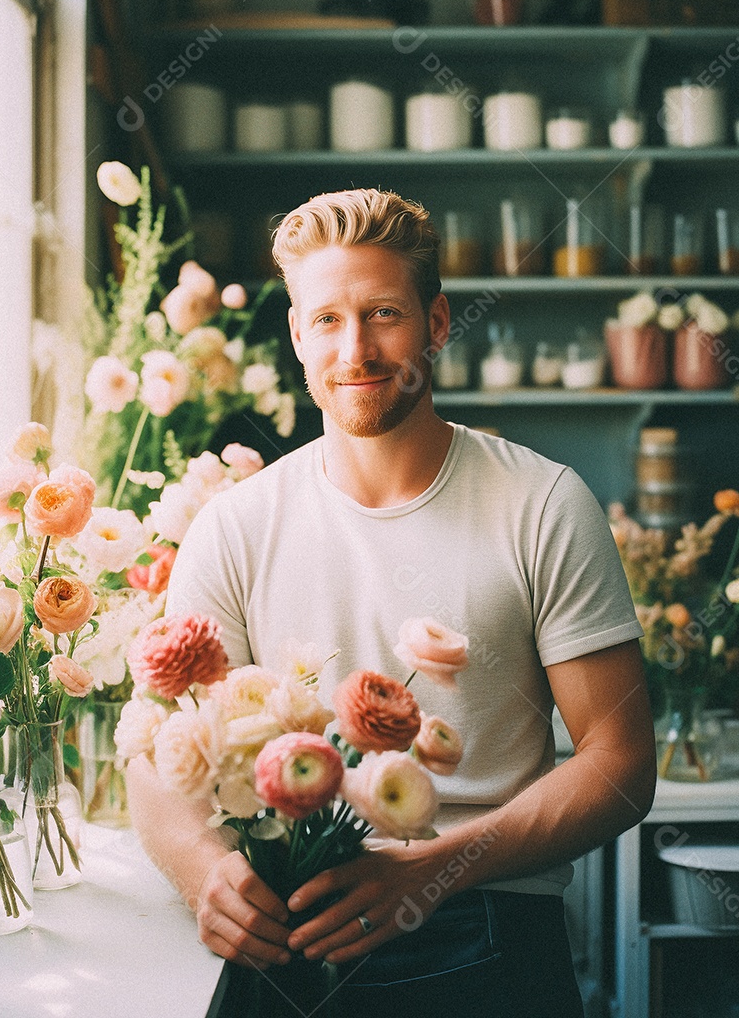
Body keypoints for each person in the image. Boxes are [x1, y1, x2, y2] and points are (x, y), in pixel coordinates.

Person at [126, 188, 657, 1017]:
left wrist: (433, 869)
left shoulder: (543, 504)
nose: (357, 349)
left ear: (437, 324)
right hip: (288, 922)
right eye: (328, 321)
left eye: (383, 314)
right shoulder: (236, 525)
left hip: (482, 918)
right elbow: (155, 756)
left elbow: (620, 763)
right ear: (298, 335)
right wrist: (203, 871)